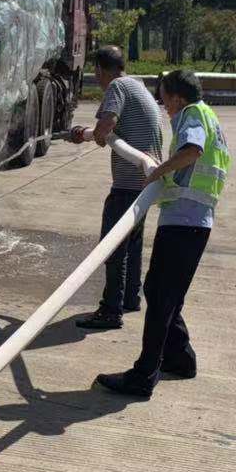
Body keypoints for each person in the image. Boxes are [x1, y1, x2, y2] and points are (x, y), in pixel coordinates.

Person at [96, 68, 230, 399]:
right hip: (195, 221)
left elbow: (192, 151)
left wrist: (159, 171)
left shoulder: (192, 114)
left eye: (165, 98)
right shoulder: (208, 115)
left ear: (178, 98)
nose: (164, 105)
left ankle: (143, 375)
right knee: (163, 293)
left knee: (160, 297)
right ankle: (180, 359)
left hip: (184, 221)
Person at [69, 45, 163, 330]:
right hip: (146, 183)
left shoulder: (117, 87)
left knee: (112, 247)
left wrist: (94, 135)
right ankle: (130, 298)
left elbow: (104, 128)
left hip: (128, 184)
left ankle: (111, 311)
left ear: (99, 69)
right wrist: (91, 134)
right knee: (132, 243)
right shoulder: (139, 86)